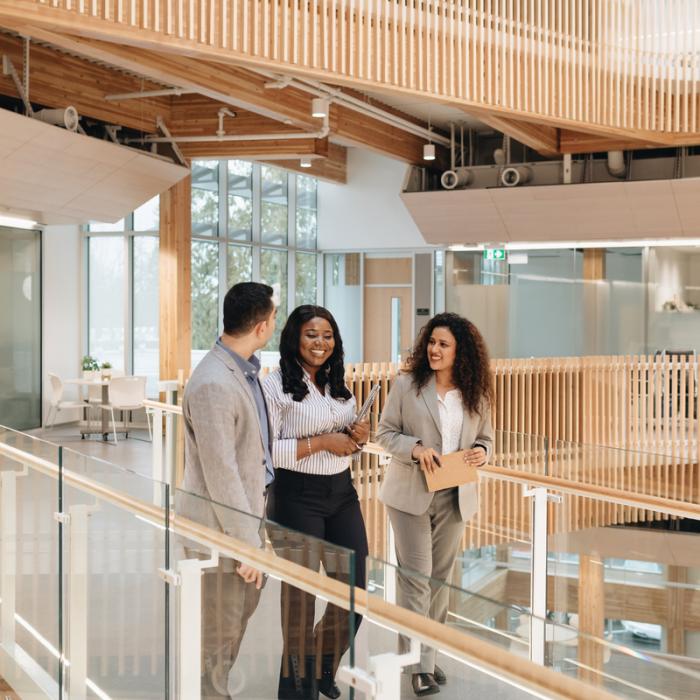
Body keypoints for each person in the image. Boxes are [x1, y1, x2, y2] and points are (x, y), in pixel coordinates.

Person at [376, 312, 493, 697]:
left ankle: (426, 655)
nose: (434, 349)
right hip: (410, 494)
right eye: (432, 342)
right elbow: (385, 433)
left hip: (455, 494)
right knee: (417, 580)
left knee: (439, 581)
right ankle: (416, 665)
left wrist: (480, 451)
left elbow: (487, 439)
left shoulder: (475, 392)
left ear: (461, 352)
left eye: (444, 344)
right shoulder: (407, 385)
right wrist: (416, 448)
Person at [263, 305, 370, 700]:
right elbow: (268, 451)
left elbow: (349, 448)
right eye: (311, 334)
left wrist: (357, 438)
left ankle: (324, 665)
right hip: (295, 496)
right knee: (300, 599)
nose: (320, 343)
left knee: (354, 589)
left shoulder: (339, 385)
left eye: (327, 335)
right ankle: (295, 690)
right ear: (294, 338)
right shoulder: (273, 387)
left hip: (341, 493)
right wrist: (324, 441)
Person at [181, 281, 277, 699]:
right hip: (222, 532)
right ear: (260, 326)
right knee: (219, 633)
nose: (274, 325)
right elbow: (222, 477)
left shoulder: (243, 371)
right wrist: (247, 547)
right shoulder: (213, 384)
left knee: (236, 620)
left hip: (248, 521)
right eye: (273, 318)